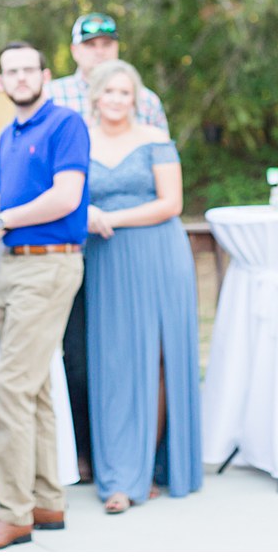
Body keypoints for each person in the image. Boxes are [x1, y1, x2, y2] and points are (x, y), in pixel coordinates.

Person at [0, 42, 89, 552]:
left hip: (50, 264)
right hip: (12, 266)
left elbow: (66, 196)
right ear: (0, 82)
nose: (20, 77)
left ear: (45, 75)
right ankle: (45, 501)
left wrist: (1, 220)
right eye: (10, 71)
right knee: (32, 389)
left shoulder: (64, 124)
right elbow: (0, 197)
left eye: (28, 69)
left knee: (10, 388)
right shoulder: (9, 134)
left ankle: (11, 516)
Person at [49, 11, 167, 481]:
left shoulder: (146, 100)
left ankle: (140, 455)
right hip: (71, 244)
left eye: (108, 43)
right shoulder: (54, 96)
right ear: (76, 50)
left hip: (130, 246)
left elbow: (160, 166)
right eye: (90, 44)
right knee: (78, 353)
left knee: (134, 351)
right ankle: (85, 452)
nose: (100, 51)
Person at [80, 59, 202, 515]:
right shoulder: (80, 142)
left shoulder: (154, 138)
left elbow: (172, 203)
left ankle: (145, 469)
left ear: (136, 99)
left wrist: (109, 217)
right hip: (107, 262)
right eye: (109, 92)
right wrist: (85, 214)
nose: (116, 100)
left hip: (157, 254)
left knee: (159, 359)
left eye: (125, 93)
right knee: (115, 363)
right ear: (95, 97)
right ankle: (119, 472)